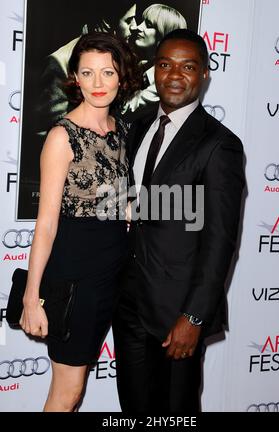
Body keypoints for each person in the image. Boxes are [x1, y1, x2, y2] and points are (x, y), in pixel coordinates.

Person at [112, 29, 245, 412]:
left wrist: (194, 316)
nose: (174, 75)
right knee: (135, 408)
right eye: (165, 64)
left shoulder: (219, 144)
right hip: (128, 304)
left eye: (188, 66)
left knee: (176, 411)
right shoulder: (137, 127)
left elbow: (221, 241)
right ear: (154, 69)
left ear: (204, 74)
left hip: (178, 314)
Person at [20, 32, 141, 412]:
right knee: (68, 392)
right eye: (87, 73)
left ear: (122, 77)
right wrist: (31, 297)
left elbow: (123, 208)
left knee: (77, 390)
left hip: (114, 271)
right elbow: (46, 225)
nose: (98, 83)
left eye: (107, 72)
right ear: (75, 77)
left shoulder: (121, 131)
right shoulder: (62, 136)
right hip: (75, 273)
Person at [37, 2, 137, 135]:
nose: (135, 26)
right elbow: (47, 129)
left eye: (108, 73)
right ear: (107, 24)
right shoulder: (60, 61)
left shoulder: (123, 57)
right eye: (129, 20)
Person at [122, 3, 187, 118]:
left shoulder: (163, 82)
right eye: (141, 21)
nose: (138, 27)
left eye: (148, 25)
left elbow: (125, 110)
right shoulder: (142, 66)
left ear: (164, 37)